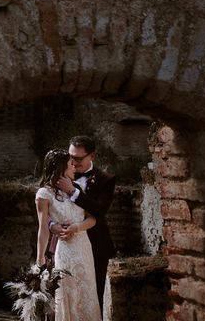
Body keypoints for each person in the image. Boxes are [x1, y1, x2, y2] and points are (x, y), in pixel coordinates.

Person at [36, 149, 101, 321]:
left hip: (84, 248)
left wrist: (76, 228)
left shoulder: (77, 188)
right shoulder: (44, 194)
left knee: (86, 293)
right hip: (64, 251)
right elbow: (42, 228)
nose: (75, 167)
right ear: (60, 168)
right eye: (70, 164)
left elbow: (93, 219)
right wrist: (40, 258)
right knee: (66, 294)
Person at [54, 135, 116, 314]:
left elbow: (100, 210)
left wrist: (73, 192)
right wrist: (52, 226)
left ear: (92, 156)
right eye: (71, 157)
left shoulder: (106, 180)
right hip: (63, 245)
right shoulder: (59, 174)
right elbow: (47, 206)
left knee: (94, 295)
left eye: (78, 159)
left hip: (95, 244)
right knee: (61, 295)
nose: (73, 162)